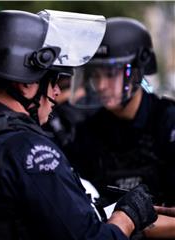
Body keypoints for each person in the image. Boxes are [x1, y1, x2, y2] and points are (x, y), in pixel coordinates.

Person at [0, 10, 158, 239]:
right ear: (26, 83)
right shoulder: (24, 148)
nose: (55, 91)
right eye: (52, 78)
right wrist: (128, 215)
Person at [64, 17, 175, 207]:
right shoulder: (89, 130)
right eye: (95, 75)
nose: (101, 85)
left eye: (110, 74)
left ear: (138, 72)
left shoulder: (168, 122)